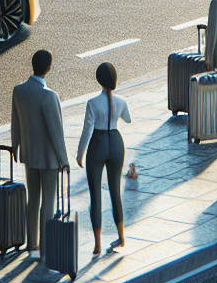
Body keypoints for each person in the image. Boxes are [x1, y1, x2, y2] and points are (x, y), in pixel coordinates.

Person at [11, 50, 68, 263]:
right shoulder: (48, 96)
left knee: (32, 200)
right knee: (48, 202)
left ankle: (31, 243)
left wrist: (15, 146)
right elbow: (56, 133)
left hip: (29, 155)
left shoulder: (19, 90)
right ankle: (45, 248)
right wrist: (64, 160)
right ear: (48, 68)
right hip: (49, 159)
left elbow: (15, 121)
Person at [76, 62, 131, 257]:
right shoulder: (121, 101)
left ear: (99, 79)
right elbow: (129, 119)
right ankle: (121, 236)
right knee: (115, 192)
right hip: (116, 142)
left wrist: (79, 153)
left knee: (95, 195)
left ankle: (97, 244)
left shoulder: (93, 103)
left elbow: (87, 130)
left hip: (98, 144)